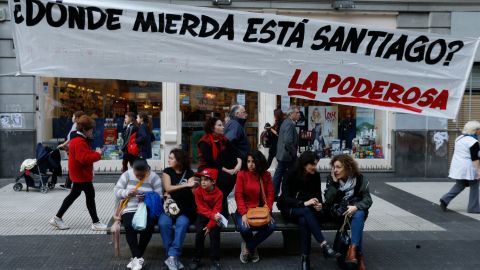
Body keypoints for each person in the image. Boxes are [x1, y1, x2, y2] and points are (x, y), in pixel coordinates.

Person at [278, 151, 338, 270]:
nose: (315, 167)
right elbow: (285, 198)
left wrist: (318, 205)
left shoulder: (315, 175)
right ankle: (324, 245)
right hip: (290, 209)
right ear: (305, 163)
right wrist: (303, 203)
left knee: (304, 220)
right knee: (305, 212)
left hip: (307, 212)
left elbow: (318, 196)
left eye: (316, 164)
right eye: (313, 164)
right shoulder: (290, 174)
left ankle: (305, 260)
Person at [49, 115, 107, 231]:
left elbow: (79, 155)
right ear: (85, 130)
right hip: (81, 174)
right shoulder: (80, 141)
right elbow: (84, 158)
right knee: (89, 196)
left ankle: (57, 218)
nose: (92, 132)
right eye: (91, 130)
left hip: (77, 173)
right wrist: (98, 154)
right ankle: (95, 222)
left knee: (74, 195)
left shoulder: (76, 139)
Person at [324, 154, 373, 270]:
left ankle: (353, 251)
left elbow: (368, 200)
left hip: (354, 212)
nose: (335, 170)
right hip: (339, 213)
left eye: (338, 167)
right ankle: (358, 255)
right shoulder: (331, 179)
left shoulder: (360, 179)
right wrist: (335, 184)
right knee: (359, 217)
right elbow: (328, 199)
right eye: (334, 167)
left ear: (348, 167)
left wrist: (355, 207)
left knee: (359, 214)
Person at [114, 159, 162, 270]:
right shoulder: (127, 175)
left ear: (147, 169)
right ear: (133, 170)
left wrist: (147, 197)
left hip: (147, 207)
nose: (140, 177)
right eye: (137, 175)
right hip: (130, 207)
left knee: (148, 226)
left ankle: (136, 258)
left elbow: (159, 196)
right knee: (129, 226)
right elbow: (116, 190)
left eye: (142, 175)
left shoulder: (154, 177)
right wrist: (127, 192)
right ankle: (138, 257)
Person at [160, 149, 198, 270]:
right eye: (169, 157)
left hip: (186, 208)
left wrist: (193, 187)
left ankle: (172, 256)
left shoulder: (190, 173)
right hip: (169, 206)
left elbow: (192, 189)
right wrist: (185, 185)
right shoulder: (167, 172)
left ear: (179, 160)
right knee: (163, 223)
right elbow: (168, 188)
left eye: (171, 158)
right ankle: (173, 256)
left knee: (182, 223)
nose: (169, 160)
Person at [235, 150, 275, 264]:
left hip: (262, 210)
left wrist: (268, 210)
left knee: (272, 226)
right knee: (244, 228)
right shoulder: (241, 174)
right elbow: (238, 195)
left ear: (259, 162)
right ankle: (253, 246)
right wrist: (243, 214)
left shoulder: (265, 175)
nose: (250, 164)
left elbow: (270, 194)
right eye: (248, 161)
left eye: (253, 161)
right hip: (245, 210)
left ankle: (248, 247)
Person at [197, 117, 242, 218]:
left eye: (222, 125)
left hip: (220, 167)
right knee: (227, 178)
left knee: (236, 175)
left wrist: (239, 162)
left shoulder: (222, 139)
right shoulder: (205, 141)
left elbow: (235, 151)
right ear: (213, 128)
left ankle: (221, 202)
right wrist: (227, 170)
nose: (223, 127)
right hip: (207, 168)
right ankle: (220, 208)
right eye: (220, 125)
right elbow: (210, 161)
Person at [440, 121, 480, 213]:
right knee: (474, 185)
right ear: (475, 131)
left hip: (458, 166)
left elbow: (455, 151)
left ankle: (445, 199)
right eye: (479, 129)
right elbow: (475, 158)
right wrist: (478, 171)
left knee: (460, 184)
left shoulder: (459, 138)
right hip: (468, 167)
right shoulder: (473, 142)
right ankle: (473, 208)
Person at [190, 168, 223, 270]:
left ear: (213, 182)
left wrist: (209, 225)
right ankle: (197, 258)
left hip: (215, 218)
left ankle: (215, 260)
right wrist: (212, 217)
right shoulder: (198, 191)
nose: (203, 182)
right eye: (201, 179)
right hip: (202, 215)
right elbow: (201, 208)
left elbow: (217, 211)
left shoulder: (219, 194)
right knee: (200, 233)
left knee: (214, 234)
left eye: (206, 180)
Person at [273, 105, 301, 197]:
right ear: (291, 113)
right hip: (286, 155)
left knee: (280, 174)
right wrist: (294, 153)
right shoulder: (289, 124)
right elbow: (288, 141)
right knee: (288, 175)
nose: (299, 114)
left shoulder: (286, 122)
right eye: (297, 112)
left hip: (283, 154)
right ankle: (279, 194)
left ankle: (275, 193)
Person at [58, 110, 85, 189]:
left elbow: (71, 138)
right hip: (72, 147)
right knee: (74, 166)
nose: (72, 118)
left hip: (73, 148)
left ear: (77, 118)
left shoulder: (77, 126)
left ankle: (69, 184)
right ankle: (70, 184)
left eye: (73, 116)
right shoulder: (76, 125)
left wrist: (63, 145)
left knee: (73, 166)